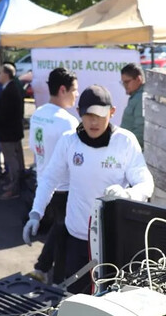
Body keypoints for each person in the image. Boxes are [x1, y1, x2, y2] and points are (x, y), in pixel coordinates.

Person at [23, 85, 154, 294]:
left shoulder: (125, 141)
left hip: (112, 238)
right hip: (77, 236)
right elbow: (49, 179)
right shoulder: (69, 141)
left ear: (112, 112)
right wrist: (35, 213)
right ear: (79, 113)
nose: (94, 122)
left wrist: (127, 195)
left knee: (110, 297)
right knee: (77, 296)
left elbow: (146, 183)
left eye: (100, 115)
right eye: (88, 115)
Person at [26, 68, 79, 284]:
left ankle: (42, 268)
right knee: (63, 233)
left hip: (44, 182)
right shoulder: (67, 122)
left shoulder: (38, 114)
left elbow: (32, 146)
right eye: (74, 90)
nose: (76, 95)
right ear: (63, 89)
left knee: (59, 228)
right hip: (64, 186)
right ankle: (55, 281)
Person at [0, 63, 25, 199]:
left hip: (8, 133)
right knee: (16, 160)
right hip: (12, 132)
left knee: (13, 161)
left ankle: (14, 188)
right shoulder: (10, 88)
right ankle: (17, 185)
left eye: (0, 73)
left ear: (6, 74)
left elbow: (5, 113)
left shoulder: (10, 90)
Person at [120, 63, 145, 149]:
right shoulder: (136, 97)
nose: (125, 86)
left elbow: (140, 131)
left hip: (131, 151)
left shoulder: (141, 98)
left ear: (138, 79)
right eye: (123, 83)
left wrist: (127, 150)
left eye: (127, 82)